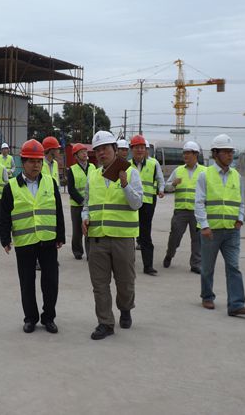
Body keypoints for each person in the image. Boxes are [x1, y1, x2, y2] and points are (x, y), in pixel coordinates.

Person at [82, 131, 143, 340]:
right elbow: (86, 204)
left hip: (122, 238)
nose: (101, 153)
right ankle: (105, 323)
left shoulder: (131, 172)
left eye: (105, 148)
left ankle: (125, 309)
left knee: (125, 283)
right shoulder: (92, 175)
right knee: (99, 285)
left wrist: (125, 184)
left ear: (115, 150)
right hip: (97, 238)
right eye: (97, 150)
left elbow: (137, 203)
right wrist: (85, 217)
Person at [0, 139, 65, 333]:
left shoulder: (50, 182)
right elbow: (4, 215)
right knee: (27, 283)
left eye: (38, 161)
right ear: (23, 162)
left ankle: (49, 317)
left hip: (48, 240)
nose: (36, 165)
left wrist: (60, 235)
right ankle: (30, 318)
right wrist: (5, 238)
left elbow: (58, 210)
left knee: (51, 282)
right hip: (25, 241)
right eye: (31, 161)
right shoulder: (11, 187)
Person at [195, 134, 245, 317]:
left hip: (231, 231)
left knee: (233, 267)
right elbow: (199, 203)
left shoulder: (237, 176)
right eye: (226, 152)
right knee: (207, 268)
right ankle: (207, 296)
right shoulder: (205, 175)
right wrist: (204, 225)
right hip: (211, 231)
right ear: (215, 153)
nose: (230, 155)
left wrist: (240, 219)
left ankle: (236, 304)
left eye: (231, 152)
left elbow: (241, 201)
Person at [163, 141, 206, 274]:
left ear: (196, 154)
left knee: (197, 239)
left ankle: (196, 264)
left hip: (197, 212)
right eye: (184, 153)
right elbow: (166, 187)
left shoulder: (204, 172)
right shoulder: (178, 170)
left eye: (188, 153)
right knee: (175, 236)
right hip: (181, 211)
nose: (185, 156)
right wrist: (173, 184)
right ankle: (169, 254)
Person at [129, 134, 165, 276]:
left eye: (142, 147)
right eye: (137, 147)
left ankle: (148, 266)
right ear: (132, 149)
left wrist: (161, 189)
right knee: (129, 233)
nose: (140, 150)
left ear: (146, 150)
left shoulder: (153, 163)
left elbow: (160, 179)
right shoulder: (126, 165)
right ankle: (128, 263)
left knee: (145, 234)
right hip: (130, 203)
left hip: (147, 203)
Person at [67, 143, 95, 260]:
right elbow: (71, 189)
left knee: (89, 229)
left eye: (85, 151)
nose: (84, 154)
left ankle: (90, 253)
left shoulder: (93, 167)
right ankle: (77, 251)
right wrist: (82, 201)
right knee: (77, 230)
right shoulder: (72, 170)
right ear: (76, 156)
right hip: (77, 205)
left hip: (90, 203)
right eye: (81, 152)